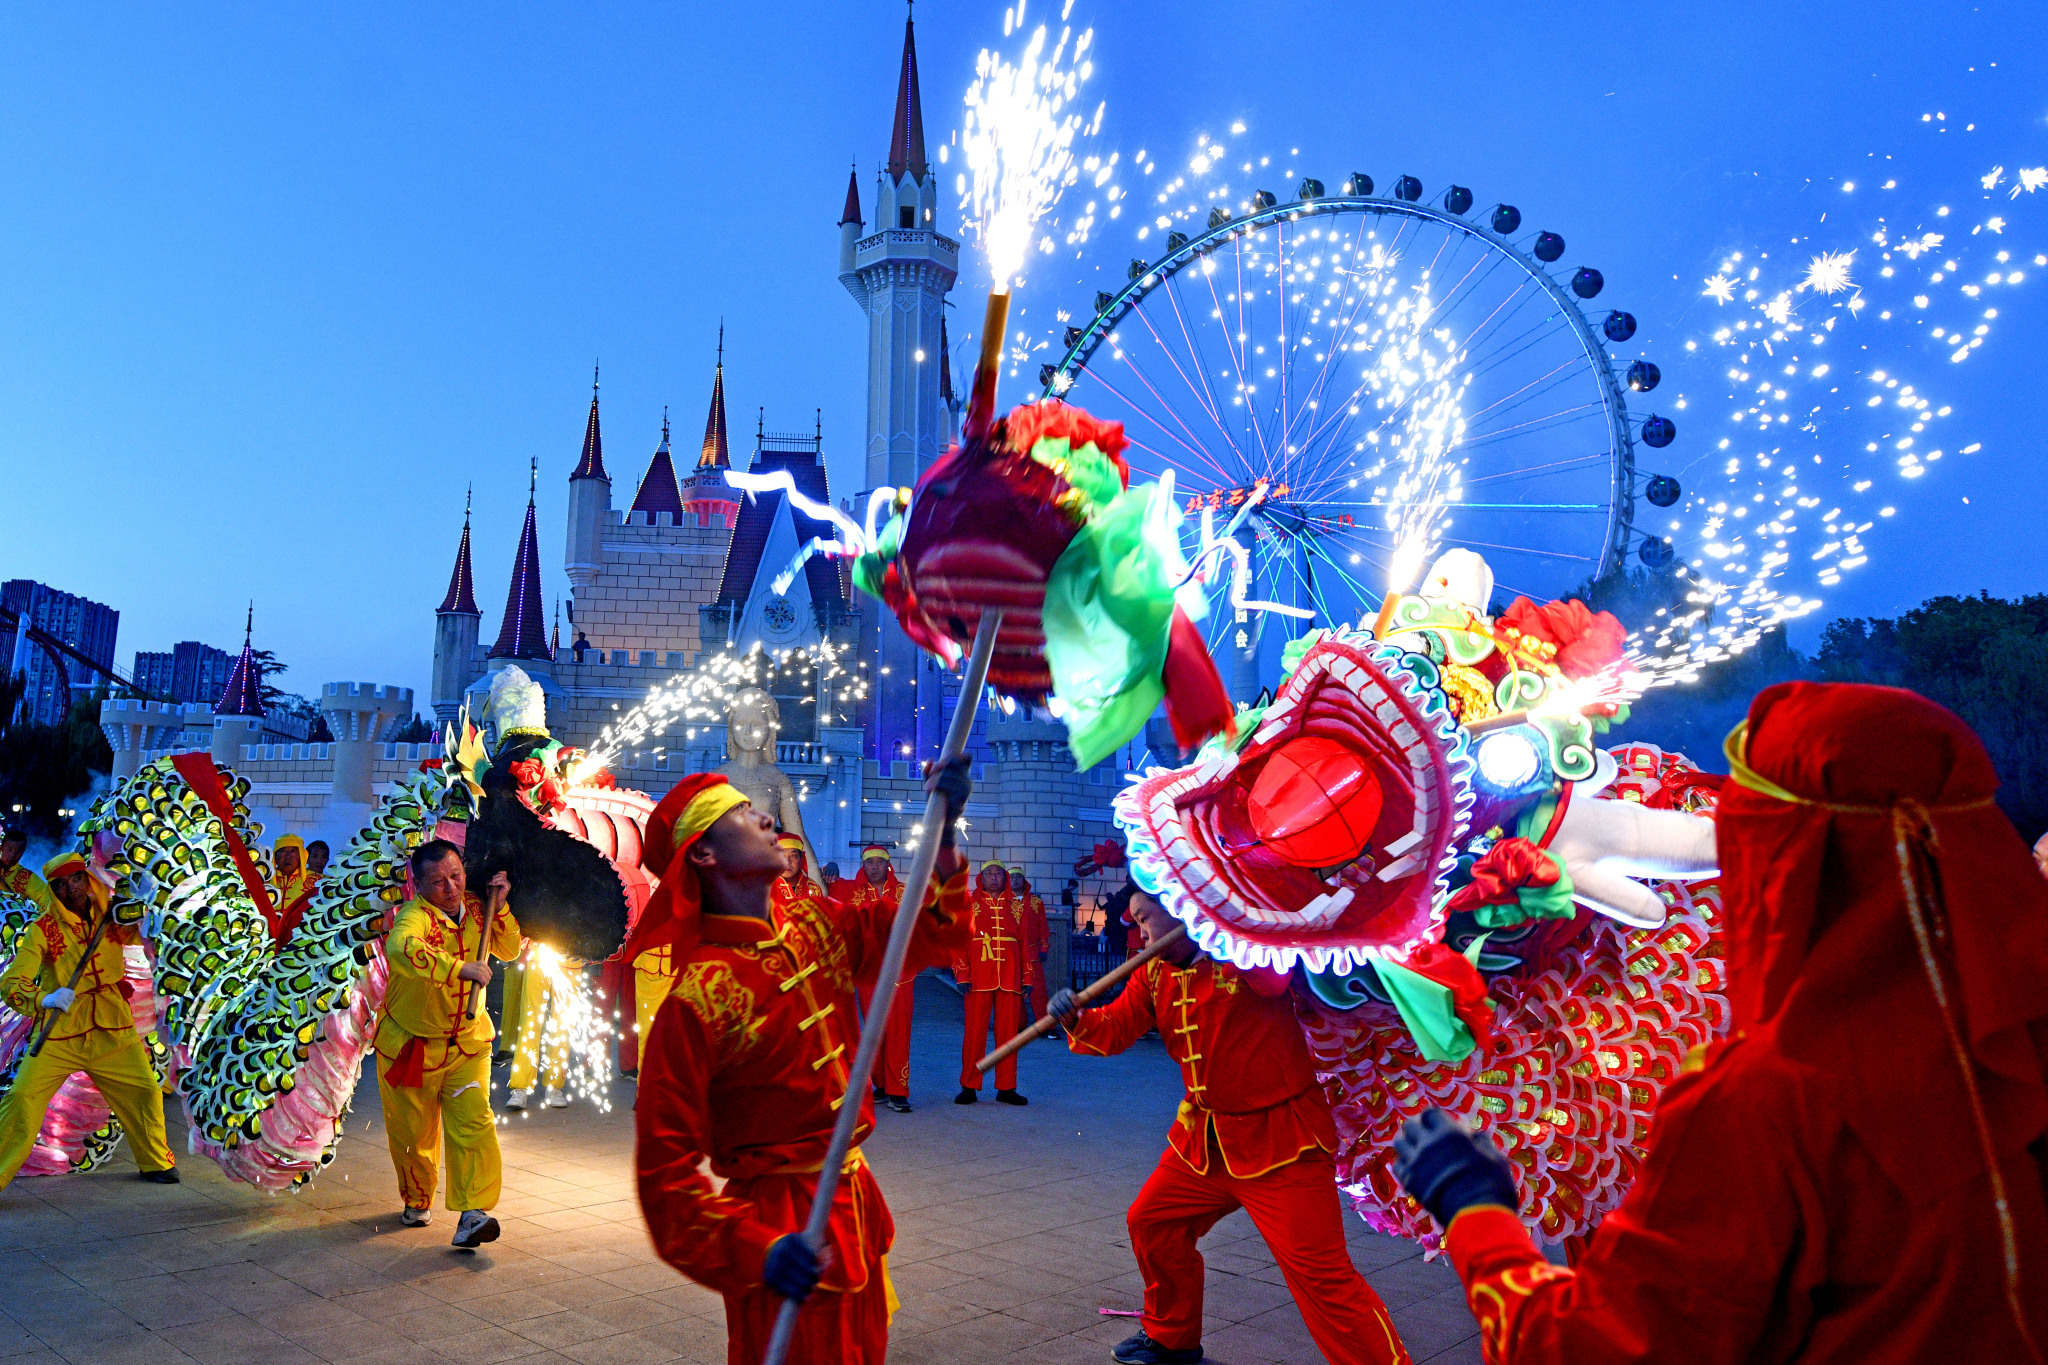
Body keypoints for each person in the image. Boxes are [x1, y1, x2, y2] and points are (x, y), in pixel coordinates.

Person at [1394, 682, 2048, 1363]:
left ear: (1781, 863)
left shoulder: (1764, 1100)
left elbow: (1594, 1347)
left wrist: (1472, 1206)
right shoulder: (2018, 1038)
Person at [633, 764, 971, 1365]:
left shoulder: (815, 925)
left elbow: (930, 936)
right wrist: (754, 1251)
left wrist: (943, 833)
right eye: (741, 812)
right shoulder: (697, 999)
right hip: (783, 1231)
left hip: (856, 1207)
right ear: (704, 854)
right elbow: (666, 1183)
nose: (766, 817)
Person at [1048, 884, 1411, 1365]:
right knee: (1153, 1222)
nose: (1138, 931)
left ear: (1178, 910)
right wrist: (1074, 1018)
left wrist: (1229, 929)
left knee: (1321, 1275)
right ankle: (1171, 1336)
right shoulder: (1154, 971)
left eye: (1143, 918)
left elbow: (1275, 980)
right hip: (1203, 1140)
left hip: (1284, 1142)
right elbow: (1115, 1029)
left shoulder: (1245, 952)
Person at [0, 852, 179, 1189]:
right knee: (22, 1098)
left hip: (113, 1026)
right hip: (60, 1032)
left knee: (143, 1091)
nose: (72, 889)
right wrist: (45, 998)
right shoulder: (42, 930)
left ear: (87, 879)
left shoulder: (111, 917)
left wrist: (142, 898)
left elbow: (147, 926)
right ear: (53, 891)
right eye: (62, 885)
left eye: (77, 879)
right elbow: (11, 982)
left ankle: (155, 1162)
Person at [374, 840, 521, 1249]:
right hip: (411, 1046)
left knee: (475, 1125)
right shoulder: (413, 917)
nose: (451, 887)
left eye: (456, 876)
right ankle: (417, 1197)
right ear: (418, 884)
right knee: (413, 1137)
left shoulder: (480, 906)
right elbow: (401, 948)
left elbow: (509, 948)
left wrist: (503, 906)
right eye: (438, 881)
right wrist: (459, 968)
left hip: (468, 1044)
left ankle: (473, 1212)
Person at [849, 844, 915, 1113]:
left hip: (900, 971)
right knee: (874, 1029)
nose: (874, 867)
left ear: (887, 865)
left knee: (899, 1030)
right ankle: (880, 1085)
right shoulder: (851, 893)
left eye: (879, 862)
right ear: (863, 866)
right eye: (869, 863)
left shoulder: (905, 892)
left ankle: (898, 1089)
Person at [956, 860, 1028, 1106]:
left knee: (1009, 1035)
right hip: (978, 976)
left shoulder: (1016, 907)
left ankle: (1006, 1087)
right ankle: (969, 1086)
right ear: (981, 878)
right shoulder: (969, 905)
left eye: (999, 873)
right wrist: (962, 974)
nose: (995, 878)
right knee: (974, 1034)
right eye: (990, 873)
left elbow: (1025, 943)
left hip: (1009, 976)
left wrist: (1027, 976)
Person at [503, 943, 571, 1111]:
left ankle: (554, 1087)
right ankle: (520, 1086)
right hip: (539, 951)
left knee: (563, 1022)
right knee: (529, 1019)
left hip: (572, 956)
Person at [1010, 865, 1050, 1017]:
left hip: (1032, 954)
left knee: (1038, 991)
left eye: (1018, 877)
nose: (1015, 880)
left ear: (1023, 879)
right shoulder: (1003, 901)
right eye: (1011, 877)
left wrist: (1044, 948)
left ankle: (1045, 1025)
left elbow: (1043, 927)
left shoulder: (1035, 901)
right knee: (1014, 992)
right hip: (1011, 954)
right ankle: (1017, 1025)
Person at [0, 828, 53, 917]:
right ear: (1, 848)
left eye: (18, 851)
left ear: (23, 852)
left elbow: (48, 899)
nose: (12, 855)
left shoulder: (26, 877)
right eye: (9, 849)